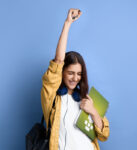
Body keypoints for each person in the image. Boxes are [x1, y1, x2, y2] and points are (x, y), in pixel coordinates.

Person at [41, 8, 110, 150]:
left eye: (79, 74)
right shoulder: (52, 98)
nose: (75, 78)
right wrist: (67, 24)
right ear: (62, 72)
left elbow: (104, 135)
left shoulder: (88, 99)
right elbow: (58, 61)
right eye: (71, 73)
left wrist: (93, 111)